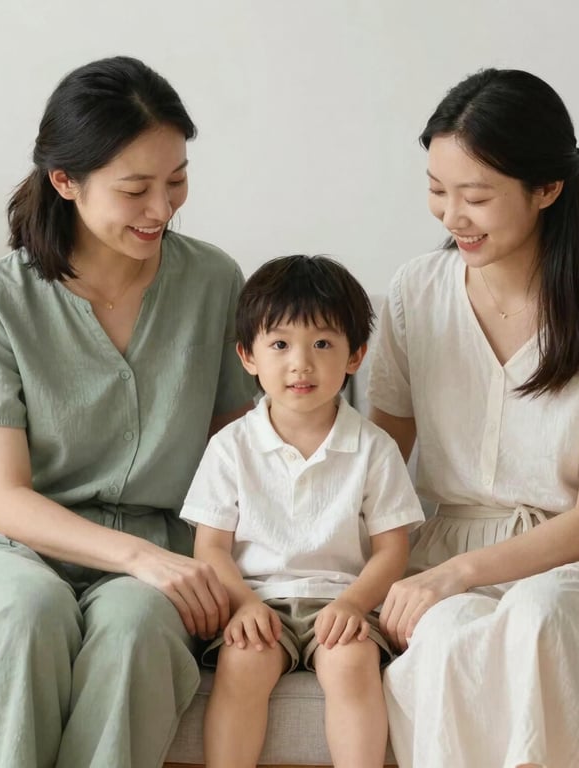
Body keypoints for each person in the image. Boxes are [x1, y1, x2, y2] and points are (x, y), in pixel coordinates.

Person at [0, 56, 256, 768]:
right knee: (25, 614)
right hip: (15, 546)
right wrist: (140, 558)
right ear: (65, 181)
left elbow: (237, 462)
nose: (162, 208)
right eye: (135, 189)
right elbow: (6, 498)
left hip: (162, 544)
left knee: (137, 626)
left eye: (177, 180)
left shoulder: (214, 281)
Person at [367, 68, 579, 768]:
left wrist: (457, 574)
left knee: (538, 618)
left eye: (476, 196)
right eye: (437, 190)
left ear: (546, 189)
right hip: (445, 555)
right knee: (448, 637)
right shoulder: (417, 291)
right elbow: (376, 464)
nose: (452, 216)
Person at [179, 254, 424, 768]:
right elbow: (211, 547)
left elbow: (392, 549)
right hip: (257, 599)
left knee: (351, 662)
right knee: (243, 663)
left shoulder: (374, 447)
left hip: (342, 599)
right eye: (280, 345)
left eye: (322, 344)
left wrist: (354, 605)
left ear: (355, 355)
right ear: (248, 356)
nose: (301, 364)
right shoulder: (231, 446)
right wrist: (244, 604)